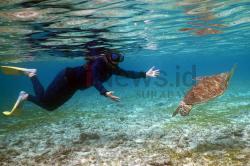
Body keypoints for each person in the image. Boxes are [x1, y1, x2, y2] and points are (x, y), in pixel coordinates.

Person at [10, 48, 160, 112]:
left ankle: (26, 95)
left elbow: (127, 73)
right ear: (108, 56)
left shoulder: (112, 68)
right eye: (115, 58)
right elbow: (95, 79)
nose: (117, 62)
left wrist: (145, 75)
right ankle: (31, 74)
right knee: (44, 100)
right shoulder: (98, 63)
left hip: (73, 86)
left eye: (119, 59)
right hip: (66, 78)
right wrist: (104, 92)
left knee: (50, 107)